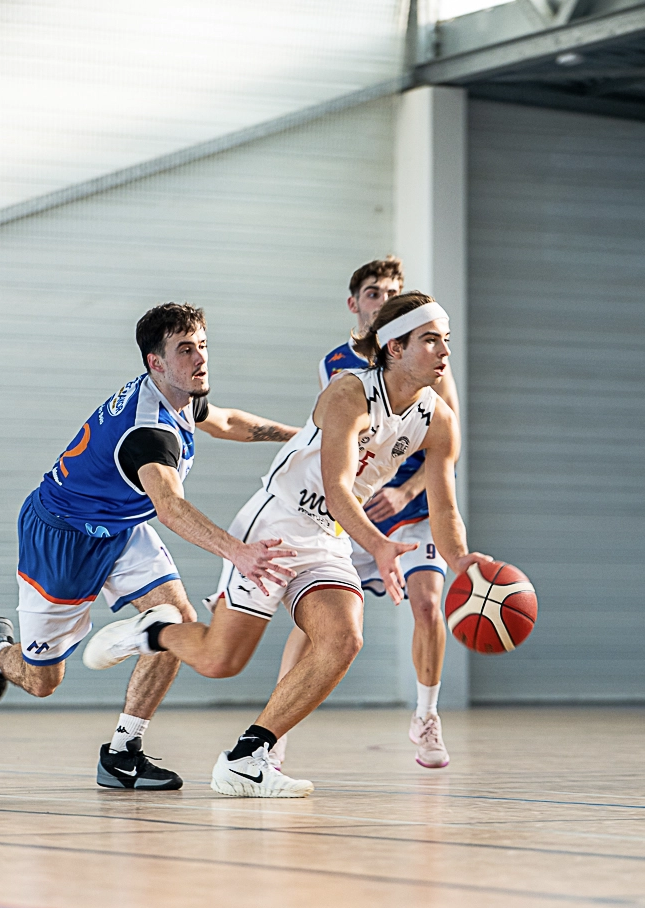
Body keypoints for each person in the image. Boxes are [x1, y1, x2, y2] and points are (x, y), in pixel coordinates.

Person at [83, 293, 490, 797]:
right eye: (430, 340)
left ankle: (246, 758)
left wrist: (461, 561)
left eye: (444, 340)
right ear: (394, 347)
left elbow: (444, 509)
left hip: (328, 539)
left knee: (343, 639)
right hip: (276, 524)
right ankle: (155, 632)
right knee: (220, 661)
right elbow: (337, 489)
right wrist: (379, 545)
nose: (444, 351)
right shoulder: (348, 393)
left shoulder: (439, 421)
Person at [0, 302, 299, 791]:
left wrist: (300, 439)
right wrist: (238, 552)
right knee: (43, 681)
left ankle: (123, 753)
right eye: (185, 350)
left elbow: (226, 421)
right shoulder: (148, 433)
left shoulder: (179, 393)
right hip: (63, 538)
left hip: (120, 528)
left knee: (176, 622)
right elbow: (171, 508)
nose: (200, 358)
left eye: (203, 346)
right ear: (155, 362)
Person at [275, 257, 461, 770]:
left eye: (394, 293)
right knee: (316, 622)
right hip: (353, 505)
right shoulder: (336, 368)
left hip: (410, 502)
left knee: (428, 603)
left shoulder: (430, 362)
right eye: (376, 293)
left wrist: (406, 492)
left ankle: (426, 716)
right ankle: (275, 730)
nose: (385, 300)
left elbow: (448, 443)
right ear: (355, 303)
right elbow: (332, 446)